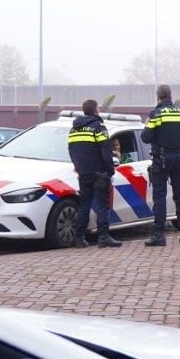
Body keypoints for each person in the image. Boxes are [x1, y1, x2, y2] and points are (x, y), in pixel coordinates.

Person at [141, 84, 180, 247]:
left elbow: (145, 137)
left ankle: (159, 235)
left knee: (159, 196)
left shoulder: (156, 114)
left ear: (158, 97)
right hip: (179, 158)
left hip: (161, 159)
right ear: (171, 96)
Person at [67, 99, 121, 248]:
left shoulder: (74, 130)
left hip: (83, 173)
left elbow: (71, 150)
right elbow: (105, 151)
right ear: (96, 110)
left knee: (84, 205)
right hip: (99, 173)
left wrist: (78, 166)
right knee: (102, 205)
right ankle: (103, 237)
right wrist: (109, 170)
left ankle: (79, 239)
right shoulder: (98, 127)